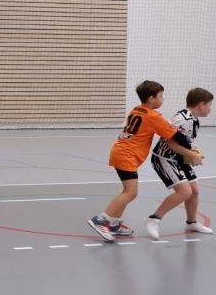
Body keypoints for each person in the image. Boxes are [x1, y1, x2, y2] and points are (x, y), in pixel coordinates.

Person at [87, 80, 203, 243]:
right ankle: (101, 220)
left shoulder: (137, 109)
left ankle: (113, 223)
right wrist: (191, 150)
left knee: (127, 191)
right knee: (131, 192)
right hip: (126, 156)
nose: (163, 99)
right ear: (151, 98)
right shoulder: (153, 116)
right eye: (161, 96)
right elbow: (176, 135)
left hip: (121, 151)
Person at [147, 88, 215, 239]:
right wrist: (192, 155)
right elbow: (171, 144)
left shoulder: (194, 120)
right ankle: (154, 219)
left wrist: (193, 153)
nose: (210, 108)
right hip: (165, 159)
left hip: (179, 158)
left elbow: (183, 142)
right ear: (201, 105)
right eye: (209, 104)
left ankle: (191, 223)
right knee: (185, 192)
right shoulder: (181, 119)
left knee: (194, 191)